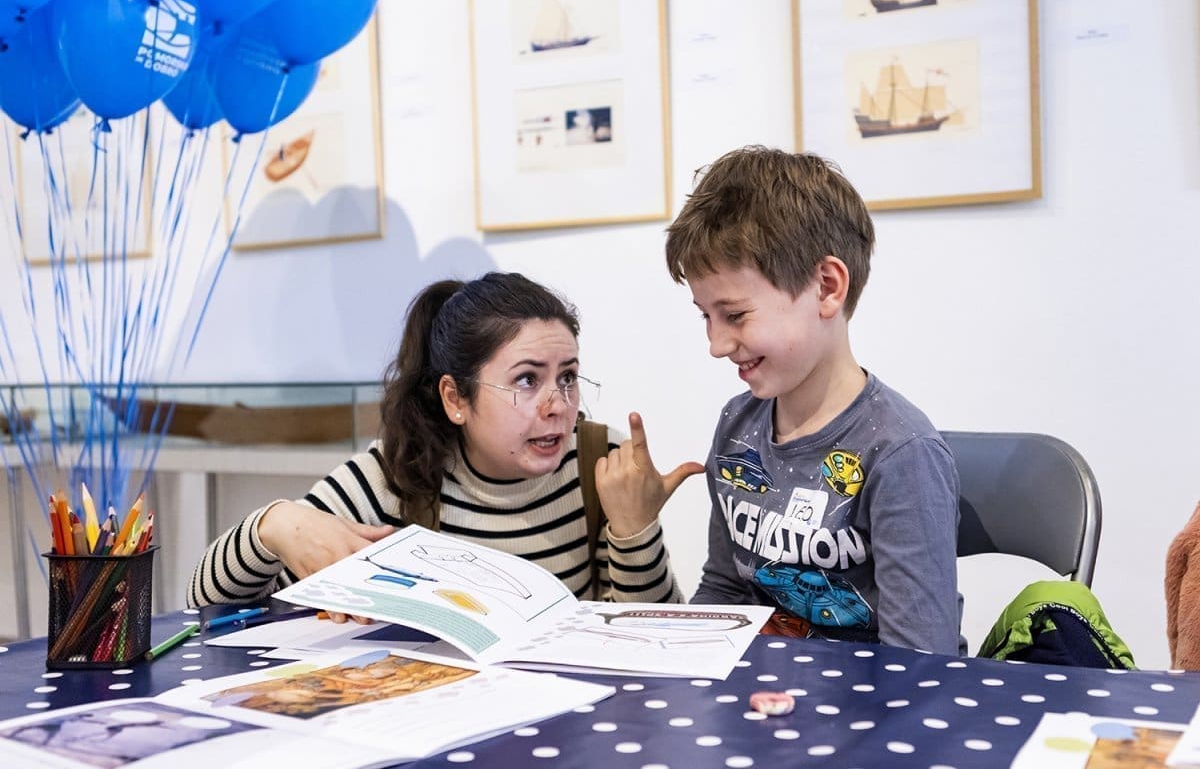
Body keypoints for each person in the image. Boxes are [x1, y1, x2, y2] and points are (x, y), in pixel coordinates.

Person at [187, 272, 695, 614]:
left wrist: (635, 531)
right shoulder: (396, 476)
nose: (557, 404)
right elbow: (201, 606)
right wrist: (273, 525)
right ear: (455, 398)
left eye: (567, 377)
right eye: (526, 380)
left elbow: (660, 644)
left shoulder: (600, 465)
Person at [664, 145, 963, 655]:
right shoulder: (737, 425)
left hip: (883, 694)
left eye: (734, 315)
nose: (716, 344)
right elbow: (726, 590)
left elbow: (919, 660)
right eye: (705, 316)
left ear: (826, 287)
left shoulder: (902, 453)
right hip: (765, 689)